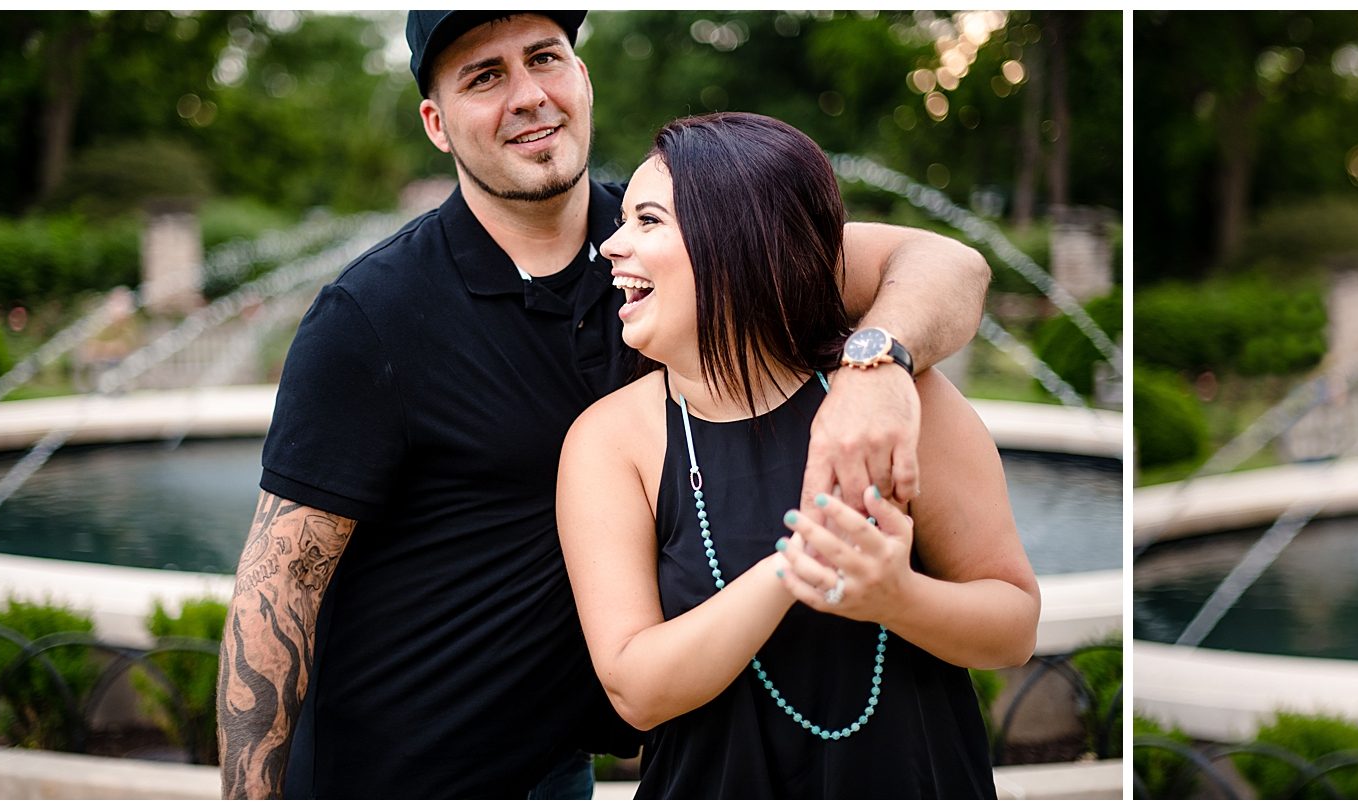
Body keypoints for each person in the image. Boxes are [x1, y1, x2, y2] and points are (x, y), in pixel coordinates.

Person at [217, 12, 992, 799]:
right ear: (436, 123)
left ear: (582, 80)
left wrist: (878, 366)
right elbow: (279, 588)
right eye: (484, 77)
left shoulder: (676, 251)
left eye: (545, 58)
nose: (527, 95)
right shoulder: (371, 316)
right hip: (392, 773)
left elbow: (946, 264)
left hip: (555, 771)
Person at [553, 111, 1039, 799]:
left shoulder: (895, 400)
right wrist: (795, 566)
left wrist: (900, 599)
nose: (612, 246)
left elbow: (1013, 627)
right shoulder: (609, 442)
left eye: (649, 221)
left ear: (735, 243)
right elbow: (635, 687)